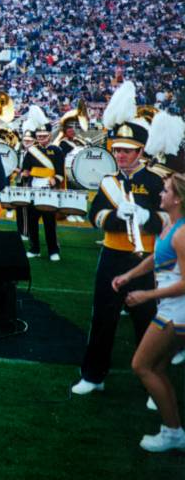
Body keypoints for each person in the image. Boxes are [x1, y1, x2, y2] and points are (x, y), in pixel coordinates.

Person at [72, 118, 167, 396]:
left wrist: (148, 216)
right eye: (117, 150)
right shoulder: (108, 182)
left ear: (140, 152)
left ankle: (154, 384)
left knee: (147, 320)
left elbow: (171, 220)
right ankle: (93, 375)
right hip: (113, 255)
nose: (121, 155)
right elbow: (96, 216)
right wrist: (115, 216)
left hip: (146, 258)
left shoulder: (156, 181)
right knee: (103, 317)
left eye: (127, 150)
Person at [113, 173, 185, 452]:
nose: (160, 194)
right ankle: (173, 429)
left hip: (177, 312)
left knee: (141, 366)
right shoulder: (170, 225)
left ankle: (173, 432)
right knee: (156, 367)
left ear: (177, 198)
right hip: (170, 308)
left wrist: (147, 295)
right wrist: (130, 275)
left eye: (165, 191)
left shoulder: (181, 233)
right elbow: (157, 257)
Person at [20, 122, 65, 261]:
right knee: (32, 221)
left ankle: (53, 250)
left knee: (49, 222)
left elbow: (60, 172)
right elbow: (25, 169)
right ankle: (34, 249)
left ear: (50, 136)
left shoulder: (56, 150)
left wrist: (55, 180)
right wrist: (25, 173)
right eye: (39, 136)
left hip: (49, 189)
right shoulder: (31, 150)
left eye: (44, 136)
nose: (41, 139)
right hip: (34, 187)